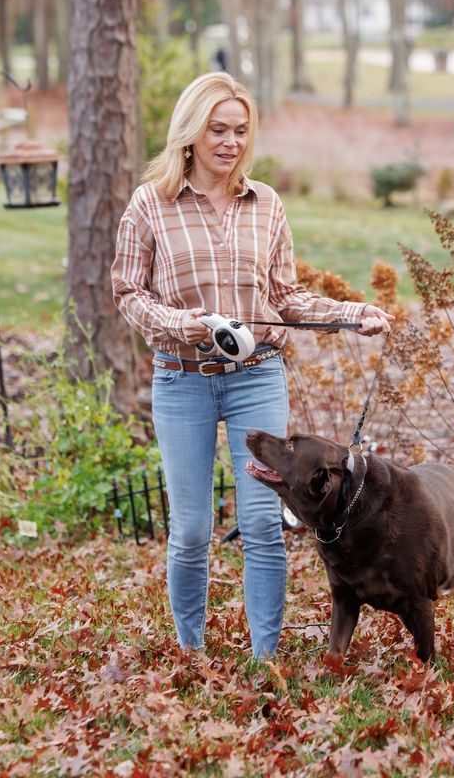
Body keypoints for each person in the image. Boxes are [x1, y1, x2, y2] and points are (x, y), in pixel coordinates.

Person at [111, 72, 393, 658]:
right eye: (218, 129)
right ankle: (191, 652)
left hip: (256, 377)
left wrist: (352, 313)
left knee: (264, 524)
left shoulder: (265, 204)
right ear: (190, 132)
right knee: (189, 531)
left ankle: (267, 658)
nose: (230, 142)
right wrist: (182, 325)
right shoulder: (151, 204)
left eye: (241, 131)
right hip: (181, 378)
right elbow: (128, 292)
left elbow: (285, 298)